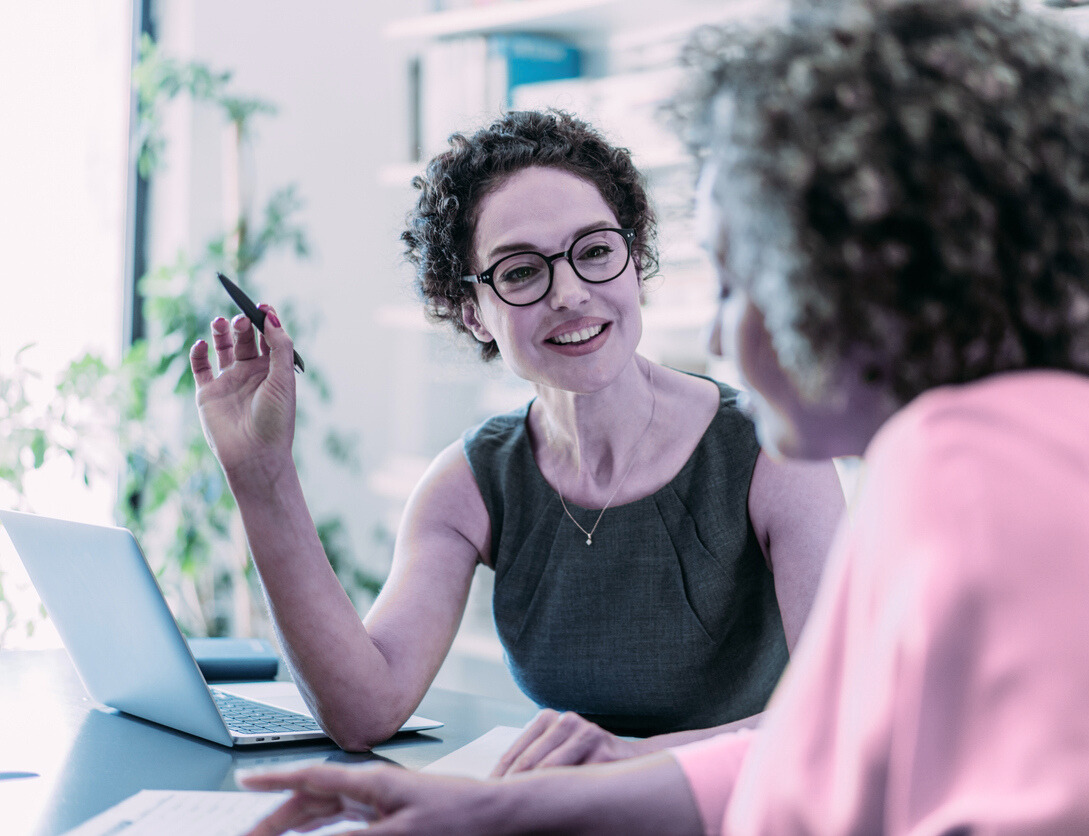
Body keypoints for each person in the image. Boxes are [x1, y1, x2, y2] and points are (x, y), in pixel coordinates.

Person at [238, 1, 1089, 833]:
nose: (719, 343)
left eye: (736, 280)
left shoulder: (978, 463)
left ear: (862, 268)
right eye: (522, 273)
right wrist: (505, 809)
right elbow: (815, 750)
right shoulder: (1043, 435)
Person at [189, 110, 844, 755]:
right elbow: (364, 709)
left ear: (635, 262)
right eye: (522, 271)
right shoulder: (468, 485)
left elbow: (845, 714)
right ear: (473, 313)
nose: (569, 293)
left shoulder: (777, 451)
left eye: (594, 252)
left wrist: (630, 766)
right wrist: (261, 475)